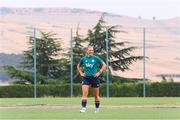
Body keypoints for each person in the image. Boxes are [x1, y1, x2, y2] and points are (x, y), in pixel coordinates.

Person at [77, 46, 106, 113]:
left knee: (96, 95)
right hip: (86, 78)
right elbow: (78, 65)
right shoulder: (83, 59)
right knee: (85, 93)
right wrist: (81, 73)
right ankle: (83, 108)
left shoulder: (96, 58)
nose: (91, 51)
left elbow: (104, 64)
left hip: (94, 78)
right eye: (89, 50)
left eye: (92, 50)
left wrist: (99, 72)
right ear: (86, 51)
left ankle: (97, 109)